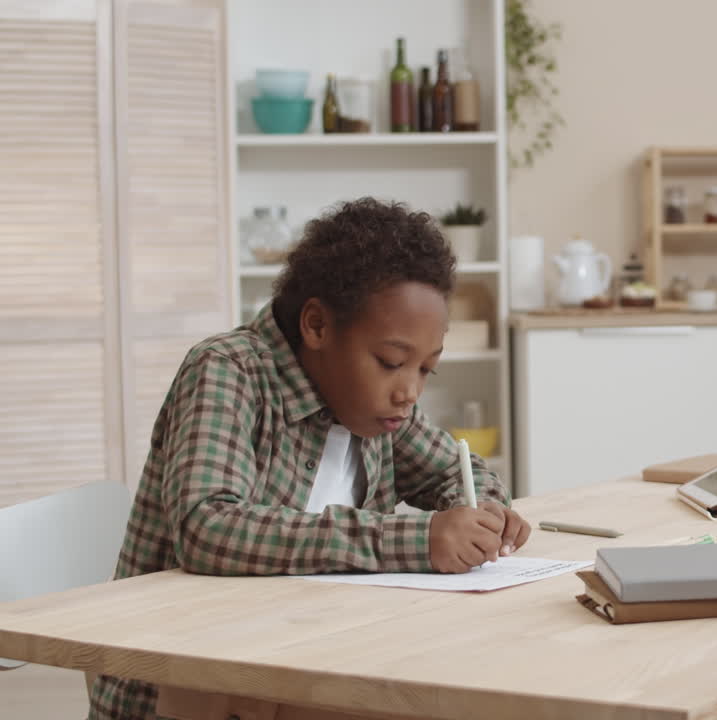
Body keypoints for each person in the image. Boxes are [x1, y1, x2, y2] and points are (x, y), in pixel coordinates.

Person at [90, 198, 530, 718]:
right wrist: (418, 540)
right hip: (186, 688)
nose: (409, 391)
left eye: (426, 369)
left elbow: (461, 471)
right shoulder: (228, 372)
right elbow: (207, 527)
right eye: (391, 362)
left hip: (306, 662)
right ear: (317, 326)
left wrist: (482, 514)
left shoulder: (374, 407)